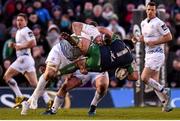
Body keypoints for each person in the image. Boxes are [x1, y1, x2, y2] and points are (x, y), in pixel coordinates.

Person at [21, 34, 109, 116]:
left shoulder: (106, 47)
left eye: (101, 38)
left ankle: (93, 107)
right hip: (81, 66)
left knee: (102, 86)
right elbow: (76, 59)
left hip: (98, 70)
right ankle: (53, 110)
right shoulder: (83, 39)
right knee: (64, 87)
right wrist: (69, 71)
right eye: (98, 37)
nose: (99, 39)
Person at [3, 13, 52, 109]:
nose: (19, 22)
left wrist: (20, 46)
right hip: (27, 59)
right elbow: (22, 45)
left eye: (21, 20)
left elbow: (33, 43)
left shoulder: (27, 30)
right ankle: (48, 100)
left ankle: (19, 97)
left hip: (23, 59)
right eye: (17, 20)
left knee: (6, 77)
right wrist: (14, 45)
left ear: (26, 21)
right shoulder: (19, 31)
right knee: (35, 84)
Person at [133, 2, 173, 112]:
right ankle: (166, 104)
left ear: (155, 11)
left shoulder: (159, 23)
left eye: (152, 10)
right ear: (146, 10)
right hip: (148, 54)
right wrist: (137, 38)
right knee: (154, 81)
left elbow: (169, 37)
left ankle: (165, 91)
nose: (150, 11)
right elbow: (144, 37)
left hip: (157, 53)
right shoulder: (143, 23)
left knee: (144, 78)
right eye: (149, 9)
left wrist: (155, 42)